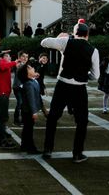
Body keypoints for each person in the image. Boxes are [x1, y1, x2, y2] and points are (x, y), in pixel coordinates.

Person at [40, 22, 100, 163]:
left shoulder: (66, 42)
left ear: (74, 33)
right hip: (79, 86)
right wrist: (85, 75)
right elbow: (96, 75)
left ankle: (47, 150)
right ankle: (77, 153)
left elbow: (44, 42)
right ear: (87, 35)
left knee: (53, 117)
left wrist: (61, 38)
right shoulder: (93, 50)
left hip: (63, 84)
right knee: (82, 121)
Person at [0, 50, 19, 149]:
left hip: (0, 94)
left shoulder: (4, 65)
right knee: (3, 119)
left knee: (2, 118)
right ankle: (1, 141)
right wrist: (15, 62)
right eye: (7, 56)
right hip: (1, 95)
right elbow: (4, 66)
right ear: (1, 58)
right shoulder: (2, 63)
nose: (10, 58)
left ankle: (1, 139)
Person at [18, 62, 42, 154]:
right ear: (26, 74)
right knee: (29, 130)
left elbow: (35, 81)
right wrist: (34, 112)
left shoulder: (31, 81)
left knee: (27, 129)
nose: (32, 68)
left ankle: (24, 145)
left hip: (27, 111)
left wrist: (34, 76)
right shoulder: (28, 84)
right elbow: (31, 99)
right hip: (28, 111)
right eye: (29, 68)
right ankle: (31, 148)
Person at [12, 50, 29, 125]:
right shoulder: (18, 64)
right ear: (19, 57)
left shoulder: (26, 65)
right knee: (20, 102)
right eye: (23, 56)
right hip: (17, 87)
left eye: (27, 57)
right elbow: (17, 67)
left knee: (23, 103)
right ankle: (16, 120)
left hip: (24, 87)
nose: (25, 58)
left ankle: (23, 119)